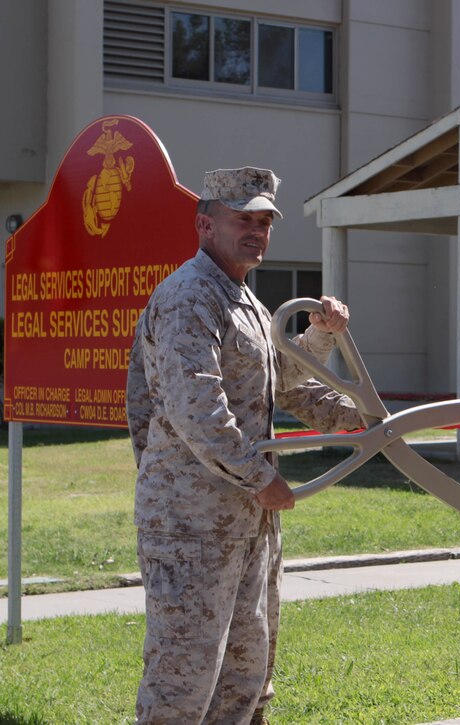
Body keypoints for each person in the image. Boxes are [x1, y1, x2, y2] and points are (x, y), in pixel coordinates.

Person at [126, 167, 362, 724]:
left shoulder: (245, 301)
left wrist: (359, 409)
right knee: (182, 683)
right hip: (191, 523)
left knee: (246, 675)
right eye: (243, 219)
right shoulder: (190, 296)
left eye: (265, 221)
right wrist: (261, 477)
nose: (257, 231)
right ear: (206, 224)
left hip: (245, 521)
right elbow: (197, 410)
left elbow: (280, 379)